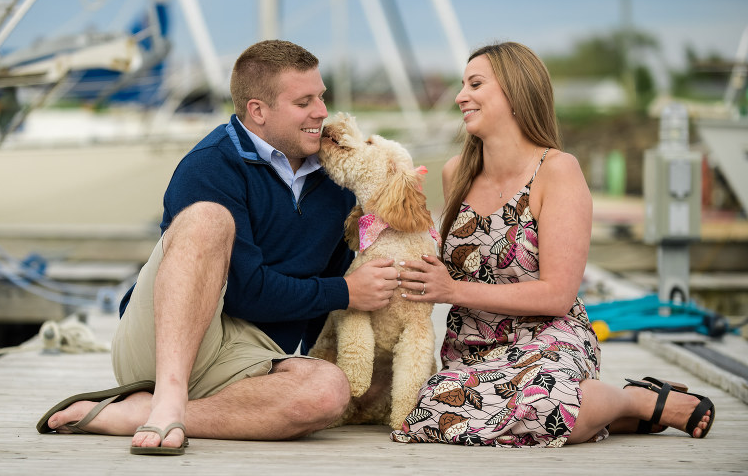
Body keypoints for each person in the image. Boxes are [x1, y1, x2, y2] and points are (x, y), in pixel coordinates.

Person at [38, 40, 399, 454]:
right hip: (167, 340)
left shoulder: (336, 184)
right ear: (258, 110)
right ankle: (167, 395)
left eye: (321, 97)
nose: (321, 111)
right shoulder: (211, 164)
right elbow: (247, 291)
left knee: (328, 393)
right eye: (304, 101)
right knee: (207, 217)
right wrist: (348, 292)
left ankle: (139, 413)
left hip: (250, 357)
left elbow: (326, 285)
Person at [390, 42, 714, 447]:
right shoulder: (456, 173)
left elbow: (558, 295)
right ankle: (612, 409)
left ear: (515, 92)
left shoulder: (557, 170)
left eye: (475, 84)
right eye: (462, 85)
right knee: (430, 412)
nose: (460, 97)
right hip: (474, 347)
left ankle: (636, 399)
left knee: (550, 403)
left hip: (549, 338)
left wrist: (453, 290)